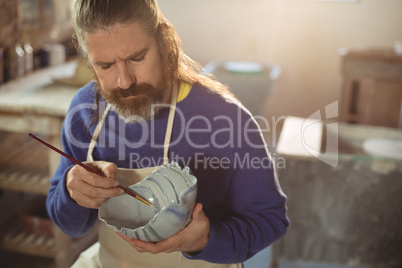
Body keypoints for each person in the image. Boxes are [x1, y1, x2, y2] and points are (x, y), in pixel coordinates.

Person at [46, 0, 289, 267]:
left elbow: (270, 220)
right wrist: (72, 192)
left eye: (137, 58)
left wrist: (207, 240)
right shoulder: (85, 110)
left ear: (163, 42)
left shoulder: (225, 118)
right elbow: (70, 226)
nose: (124, 81)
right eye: (106, 66)